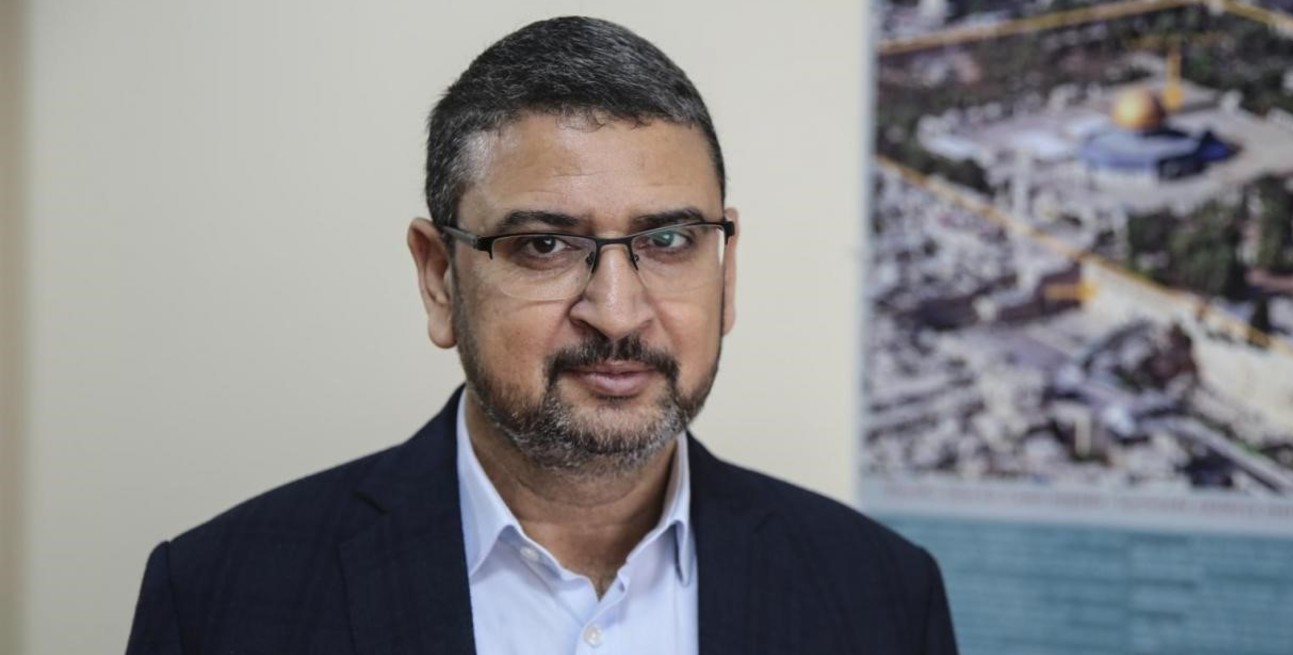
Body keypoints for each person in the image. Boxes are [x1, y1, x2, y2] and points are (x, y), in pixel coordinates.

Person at [126, 16, 958, 655]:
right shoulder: (216, 601)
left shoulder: (882, 596)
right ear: (439, 277)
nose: (618, 312)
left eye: (669, 240)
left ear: (726, 268)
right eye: (545, 246)